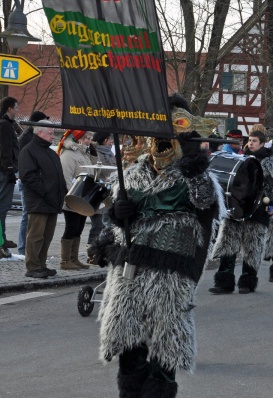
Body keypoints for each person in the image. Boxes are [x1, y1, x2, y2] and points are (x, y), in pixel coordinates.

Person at [91, 94, 224, 397]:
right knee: (127, 339)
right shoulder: (134, 172)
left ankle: (159, 390)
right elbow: (115, 220)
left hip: (171, 271)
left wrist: (194, 165)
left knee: (167, 342)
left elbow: (206, 204)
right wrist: (115, 214)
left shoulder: (194, 175)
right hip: (130, 270)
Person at [210, 124, 273, 294]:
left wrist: (270, 205)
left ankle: (247, 281)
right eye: (249, 140)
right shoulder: (241, 159)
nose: (250, 143)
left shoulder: (270, 164)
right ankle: (224, 281)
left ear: (262, 144)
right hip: (238, 207)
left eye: (254, 141)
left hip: (257, 211)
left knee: (252, 247)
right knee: (228, 244)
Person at [18, 121, 67, 278]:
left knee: (47, 236)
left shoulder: (50, 152)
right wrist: (46, 192)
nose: (53, 136)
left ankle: (41, 264)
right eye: (51, 133)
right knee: (36, 235)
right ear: (40, 133)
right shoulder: (29, 151)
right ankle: (32, 267)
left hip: (52, 201)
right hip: (39, 201)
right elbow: (28, 176)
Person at [57, 129, 95, 270]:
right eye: (87, 138)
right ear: (78, 139)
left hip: (83, 198)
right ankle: (65, 260)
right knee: (71, 227)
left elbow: (91, 172)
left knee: (78, 229)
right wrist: (72, 195)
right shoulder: (68, 155)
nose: (90, 141)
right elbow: (66, 177)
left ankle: (74, 258)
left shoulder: (84, 154)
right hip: (74, 197)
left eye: (90, 138)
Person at [16, 111, 51, 255]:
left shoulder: (32, 137)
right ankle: (23, 248)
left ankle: (28, 249)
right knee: (27, 215)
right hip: (29, 182)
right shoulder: (26, 138)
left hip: (36, 180)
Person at [86, 131, 117, 262]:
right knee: (97, 223)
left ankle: (102, 252)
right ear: (104, 140)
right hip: (99, 191)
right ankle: (92, 252)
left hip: (111, 192)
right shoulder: (96, 153)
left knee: (107, 224)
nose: (112, 142)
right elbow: (103, 170)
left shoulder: (111, 153)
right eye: (110, 139)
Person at [0, 96, 21, 249]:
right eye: (16, 107)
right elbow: (5, 150)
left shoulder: (8, 124)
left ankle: (2, 238)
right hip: (4, 172)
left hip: (4, 170)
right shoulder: (5, 125)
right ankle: (1, 239)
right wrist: (9, 170)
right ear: (9, 108)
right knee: (3, 206)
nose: (17, 110)